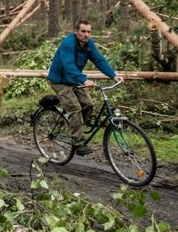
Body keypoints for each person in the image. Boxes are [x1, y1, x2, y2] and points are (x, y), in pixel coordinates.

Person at [47, 18, 123, 155]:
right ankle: (78, 143)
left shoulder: (89, 45)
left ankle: (76, 128)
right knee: (75, 108)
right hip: (60, 81)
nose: (86, 34)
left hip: (74, 80)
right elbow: (68, 65)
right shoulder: (68, 44)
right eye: (83, 31)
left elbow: (99, 60)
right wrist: (84, 79)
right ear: (76, 31)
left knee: (89, 104)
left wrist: (113, 75)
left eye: (89, 32)